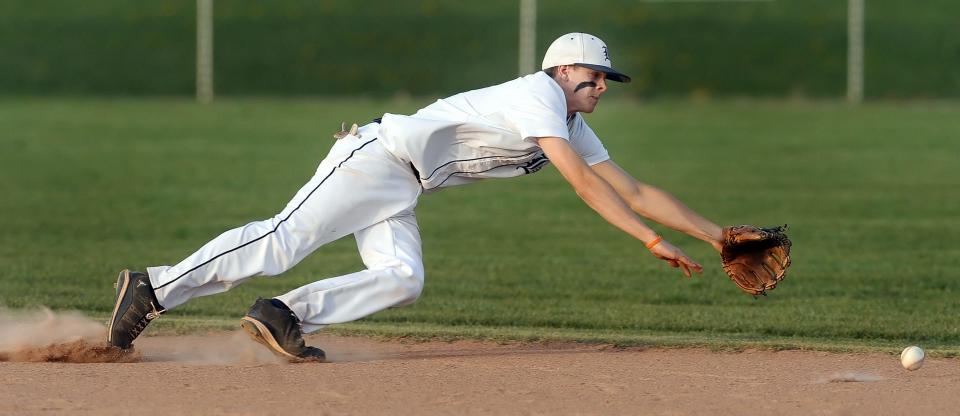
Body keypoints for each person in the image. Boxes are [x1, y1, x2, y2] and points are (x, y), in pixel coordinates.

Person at [108, 33, 724, 361]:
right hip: (375, 157)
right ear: (561, 71)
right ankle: (154, 286)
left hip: (404, 182)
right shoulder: (537, 95)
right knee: (281, 239)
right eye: (593, 77)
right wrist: (647, 239)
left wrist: (717, 237)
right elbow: (583, 184)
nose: (601, 87)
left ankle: (282, 314)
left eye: (607, 81)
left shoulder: (571, 123)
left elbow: (634, 188)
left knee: (403, 277)